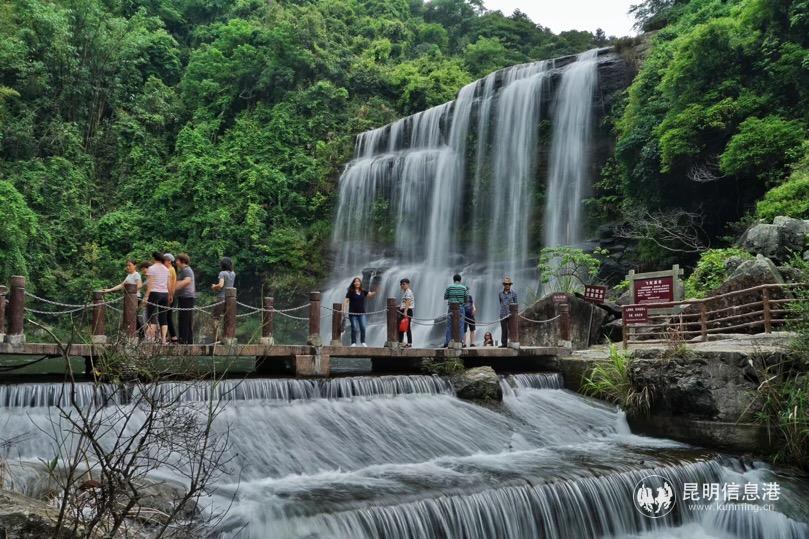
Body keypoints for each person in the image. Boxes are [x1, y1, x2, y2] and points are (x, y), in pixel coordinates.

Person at [101, 259, 143, 336]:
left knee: (133, 317)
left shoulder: (136, 274)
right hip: (129, 299)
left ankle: (141, 334)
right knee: (130, 316)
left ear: (134, 266)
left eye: (129, 265)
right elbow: (121, 285)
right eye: (127, 265)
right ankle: (134, 334)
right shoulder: (129, 275)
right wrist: (109, 290)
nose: (128, 267)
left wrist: (131, 289)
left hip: (136, 298)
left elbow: (140, 285)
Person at [343, 277, 376, 347]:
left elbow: (370, 294)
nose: (357, 282)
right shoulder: (350, 292)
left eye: (358, 281)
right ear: (353, 283)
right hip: (352, 313)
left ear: (360, 283)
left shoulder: (363, 291)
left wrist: (376, 291)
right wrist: (344, 311)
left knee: (363, 327)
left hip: (362, 313)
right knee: (354, 327)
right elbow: (346, 301)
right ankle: (353, 342)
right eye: (355, 281)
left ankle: (363, 341)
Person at [145, 252, 170, 344]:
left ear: (154, 258)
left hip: (154, 293)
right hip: (165, 293)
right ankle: (163, 339)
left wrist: (146, 296)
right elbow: (168, 284)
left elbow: (150, 284)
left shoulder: (151, 268)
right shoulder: (166, 269)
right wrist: (170, 295)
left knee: (151, 316)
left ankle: (151, 339)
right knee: (163, 317)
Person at [211, 257, 236, 342]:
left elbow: (221, 285)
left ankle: (217, 338)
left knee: (215, 317)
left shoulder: (222, 273)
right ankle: (227, 337)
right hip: (230, 300)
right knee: (228, 317)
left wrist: (214, 286)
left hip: (221, 298)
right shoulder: (233, 273)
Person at [174, 253, 196, 344]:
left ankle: (184, 339)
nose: (176, 262)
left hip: (187, 297)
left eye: (177, 260)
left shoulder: (187, 270)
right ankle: (188, 340)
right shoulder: (183, 271)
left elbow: (187, 281)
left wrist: (174, 288)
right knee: (185, 319)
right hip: (185, 297)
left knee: (184, 319)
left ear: (182, 261)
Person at [443, 274, 468, 347]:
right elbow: (466, 299)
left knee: (449, 325)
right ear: (460, 280)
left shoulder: (449, 287)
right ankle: (461, 341)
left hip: (451, 308)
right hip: (460, 307)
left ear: (453, 280)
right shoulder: (464, 288)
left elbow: (445, 297)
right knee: (461, 325)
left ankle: (448, 342)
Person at [498, 276, 518, 348]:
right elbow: (500, 302)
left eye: (509, 284)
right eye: (506, 284)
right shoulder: (500, 293)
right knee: (504, 329)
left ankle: (512, 342)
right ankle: (504, 343)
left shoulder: (514, 293)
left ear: (510, 285)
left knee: (512, 329)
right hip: (503, 313)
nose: (507, 285)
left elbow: (516, 304)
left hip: (511, 314)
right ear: (503, 285)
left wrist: (516, 314)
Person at [163, 253, 178, 343]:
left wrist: (170, 295)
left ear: (169, 261)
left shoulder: (170, 270)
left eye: (164, 260)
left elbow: (172, 285)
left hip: (170, 295)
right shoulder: (170, 269)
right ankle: (171, 336)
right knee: (167, 316)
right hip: (170, 295)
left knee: (167, 317)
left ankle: (173, 336)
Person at [398, 278, 414, 347]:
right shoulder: (405, 292)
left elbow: (408, 302)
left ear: (408, 284)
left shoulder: (408, 292)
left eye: (404, 284)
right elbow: (404, 302)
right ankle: (401, 342)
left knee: (406, 327)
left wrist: (405, 312)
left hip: (407, 311)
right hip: (404, 310)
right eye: (401, 284)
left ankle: (408, 343)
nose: (402, 285)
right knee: (403, 327)